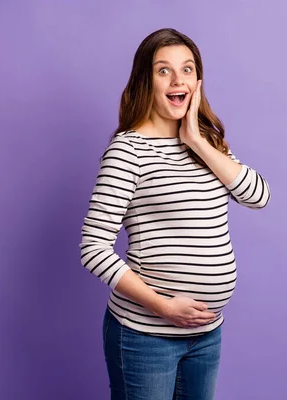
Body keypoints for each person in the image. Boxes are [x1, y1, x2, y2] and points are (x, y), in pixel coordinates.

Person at [79, 28, 271, 400]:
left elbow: (258, 196)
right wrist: (164, 307)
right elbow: (93, 248)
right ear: (145, 80)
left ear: (198, 81)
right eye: (163, 70)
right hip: (145, 336)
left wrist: (197, 141)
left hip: (206, 334)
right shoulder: (128, 152)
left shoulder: (207, 144)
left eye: (187, 69)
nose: (177, 79)